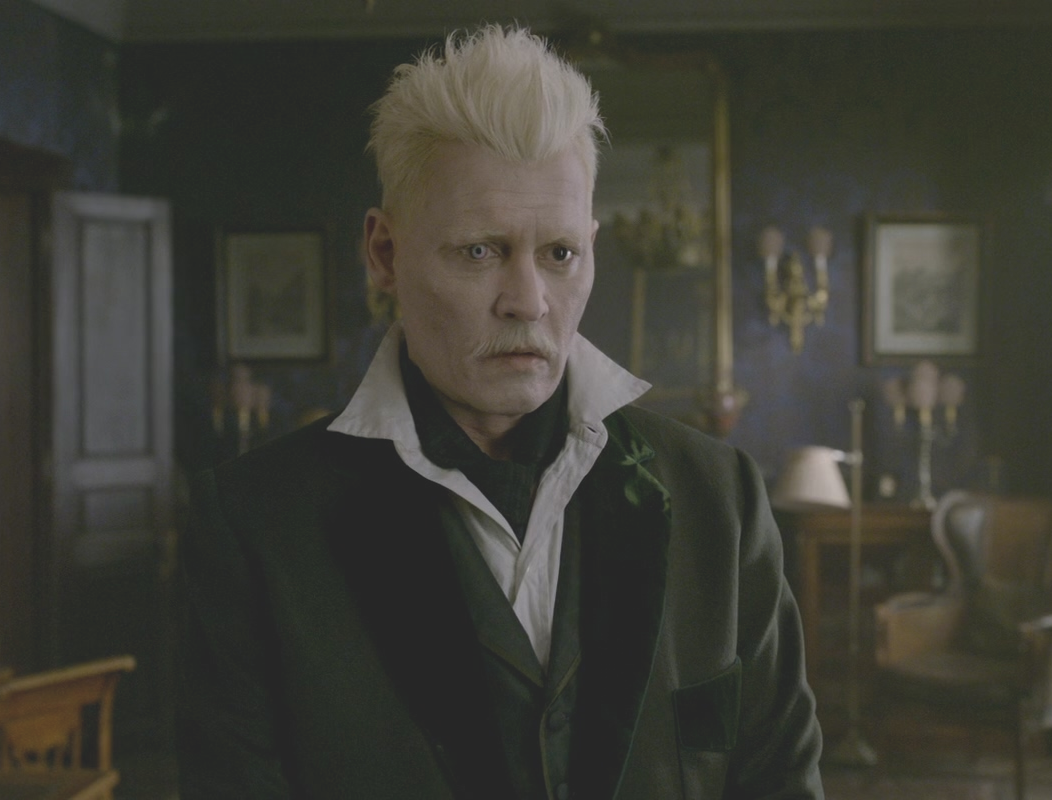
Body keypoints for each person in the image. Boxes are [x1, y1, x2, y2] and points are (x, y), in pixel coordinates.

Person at [177, 25, 823, 800]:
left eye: (559, 254)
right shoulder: (255, 526)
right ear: (384, 254)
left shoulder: (720, 497)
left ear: (591, 248)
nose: (528, 300)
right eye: (480, 251)